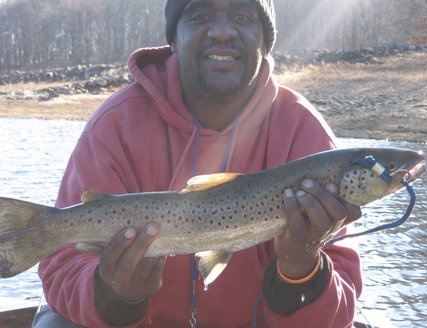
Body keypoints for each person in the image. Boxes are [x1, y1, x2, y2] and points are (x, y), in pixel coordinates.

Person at [34, 0, 362, 327]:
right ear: (173, 38)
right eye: (201, 15)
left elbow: (338, 314)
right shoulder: (115, 124)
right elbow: (63, 268)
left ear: (265, 39)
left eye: (243, 16)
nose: (222, 32)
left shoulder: (305, 133)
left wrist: (301, 268)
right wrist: (116, 296)